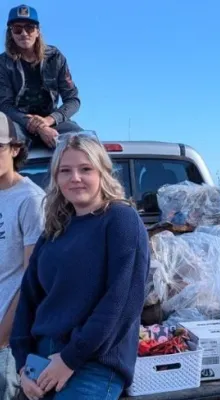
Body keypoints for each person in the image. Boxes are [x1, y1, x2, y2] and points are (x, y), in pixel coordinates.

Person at [10, 132, 150, 400]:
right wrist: (22, 365)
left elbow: (121, 303)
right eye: (65, 171)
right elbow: (29, 298)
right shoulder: (54, 230)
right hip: (41, 360)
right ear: (56, 179)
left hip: (92, 362)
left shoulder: (120, 220)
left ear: (102, 173)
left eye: (85, 169)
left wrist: (69, 360)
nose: (75, 178)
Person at [0, 111, 45, 400]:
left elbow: (31, 277)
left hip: (6, 338)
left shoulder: (30, 199)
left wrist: (3, 338)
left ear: (15, 149)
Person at [0, 4, 82, 149]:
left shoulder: (55, 57)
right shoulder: (3, 63)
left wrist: (49, 120)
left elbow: (73, 100)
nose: (24, 33)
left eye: (30, 28)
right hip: (18, 123)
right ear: (11, 34)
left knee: (83, 142)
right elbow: (5, 105)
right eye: (18, 29)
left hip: (52, 120)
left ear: (38, 31)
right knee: (5, 143)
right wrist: (37, 127)